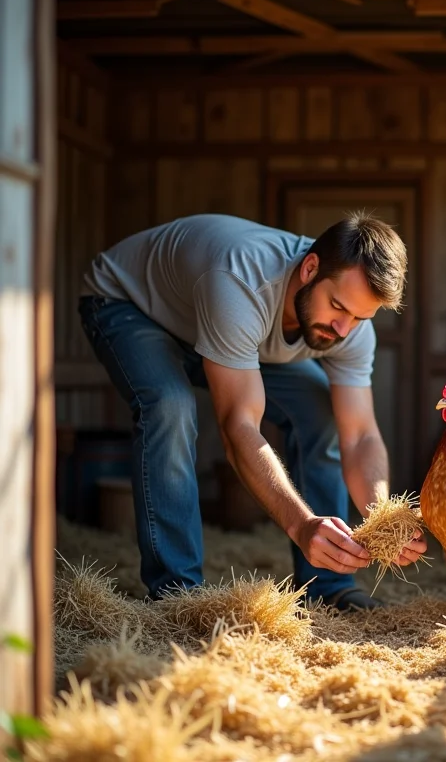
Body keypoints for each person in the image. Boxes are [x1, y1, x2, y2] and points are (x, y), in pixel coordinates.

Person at [78, 212, 427, 610]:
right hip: (130, 305)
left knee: (320, 410)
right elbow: (238, 426)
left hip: (222, 330)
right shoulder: (242, 281)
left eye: (360, 318)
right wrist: (300, 524)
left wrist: (383, 516)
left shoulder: (348, 326)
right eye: (337, 307)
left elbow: (361, 434)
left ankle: (329, 586)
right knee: (170, 407)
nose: (344, 329)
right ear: (310, 268)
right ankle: (177, 595)